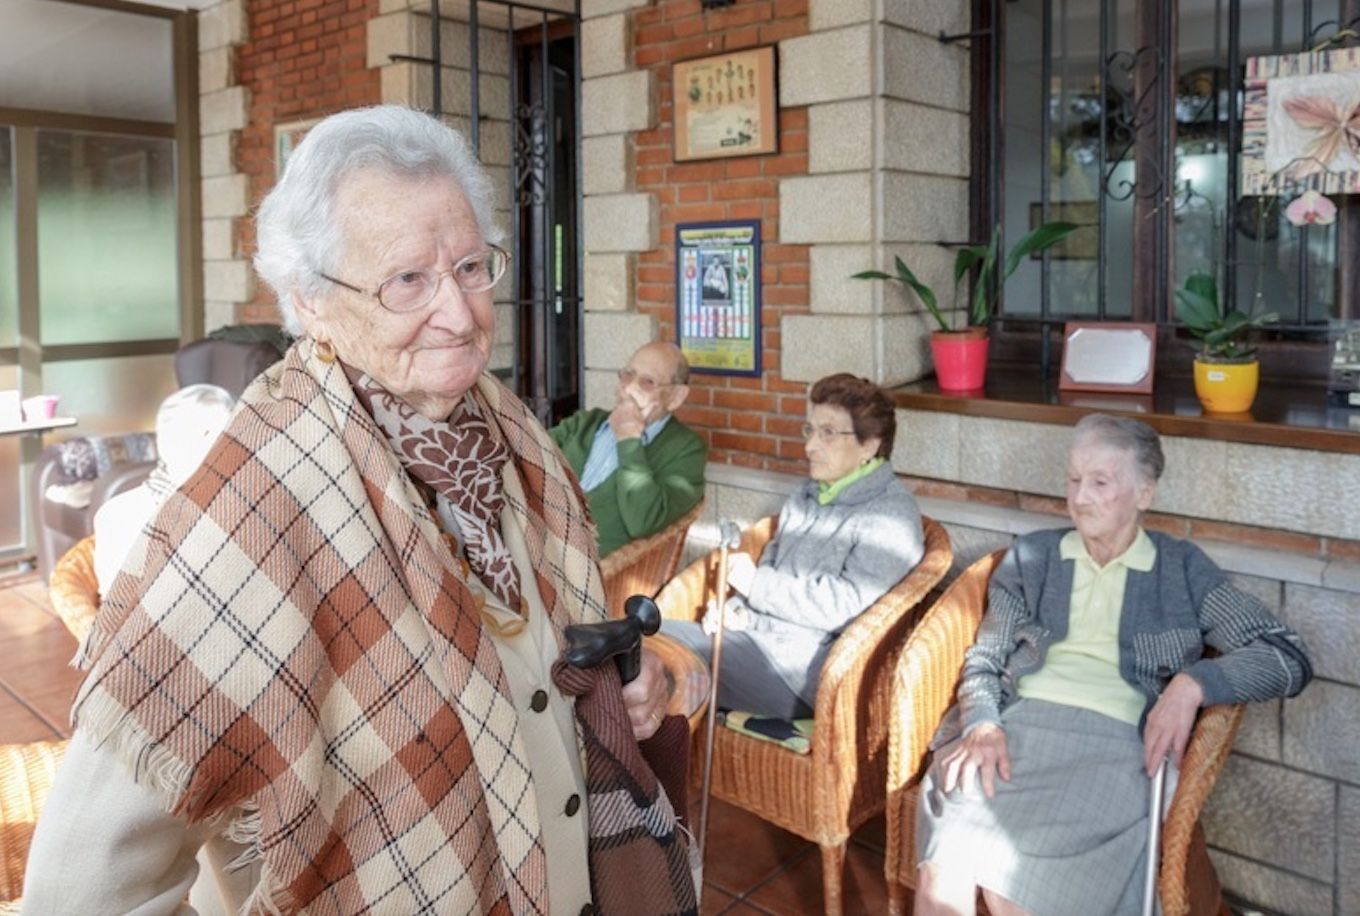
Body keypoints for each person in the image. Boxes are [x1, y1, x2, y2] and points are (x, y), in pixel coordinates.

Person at [23, 106, 693, 916]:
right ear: (311, 302)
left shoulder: (514, 441)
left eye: (472, 268)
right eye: (408, 279)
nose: (458, 310)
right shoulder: (250, 511)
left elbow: (536, 657)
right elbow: (79, 890)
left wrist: (623, 686)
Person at [914, 414, 1313, 916]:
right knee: (940, 874)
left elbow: (1287, 655)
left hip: (1115, 747)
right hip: (1018, 734)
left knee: (1017, 893)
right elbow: (986, 660)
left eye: (1100, 482)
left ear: (1144, 492)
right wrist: (983, 723)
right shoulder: (1032, 557)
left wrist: (1194, 683)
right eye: (1074, 479)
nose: (1080, 498)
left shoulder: (1180, 570)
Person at [659, 373, 925, 720]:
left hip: (799, 673)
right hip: (757, 642)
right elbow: (771, 564)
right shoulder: (808, 494)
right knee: (643, 645)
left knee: (647, 649)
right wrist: (738, 610)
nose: (810, 446)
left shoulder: (892, 518)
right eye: (810, 430)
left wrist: (755, 586)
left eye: (828, 433)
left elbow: (840, 607)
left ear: (870, 445)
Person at [550, 341, 706, 558]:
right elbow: (524, 454)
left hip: (585, 572)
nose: (630, 388)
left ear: (676, 397)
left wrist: (629, 439)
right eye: (627, 375)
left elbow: (642, 521)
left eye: (648, 382)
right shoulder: (585, 423)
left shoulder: (687, 450)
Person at [92, 383, 236, 598]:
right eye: (203, 433)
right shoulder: (118, 516)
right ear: (165, 441)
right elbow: (118, 611)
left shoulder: (241, 504)